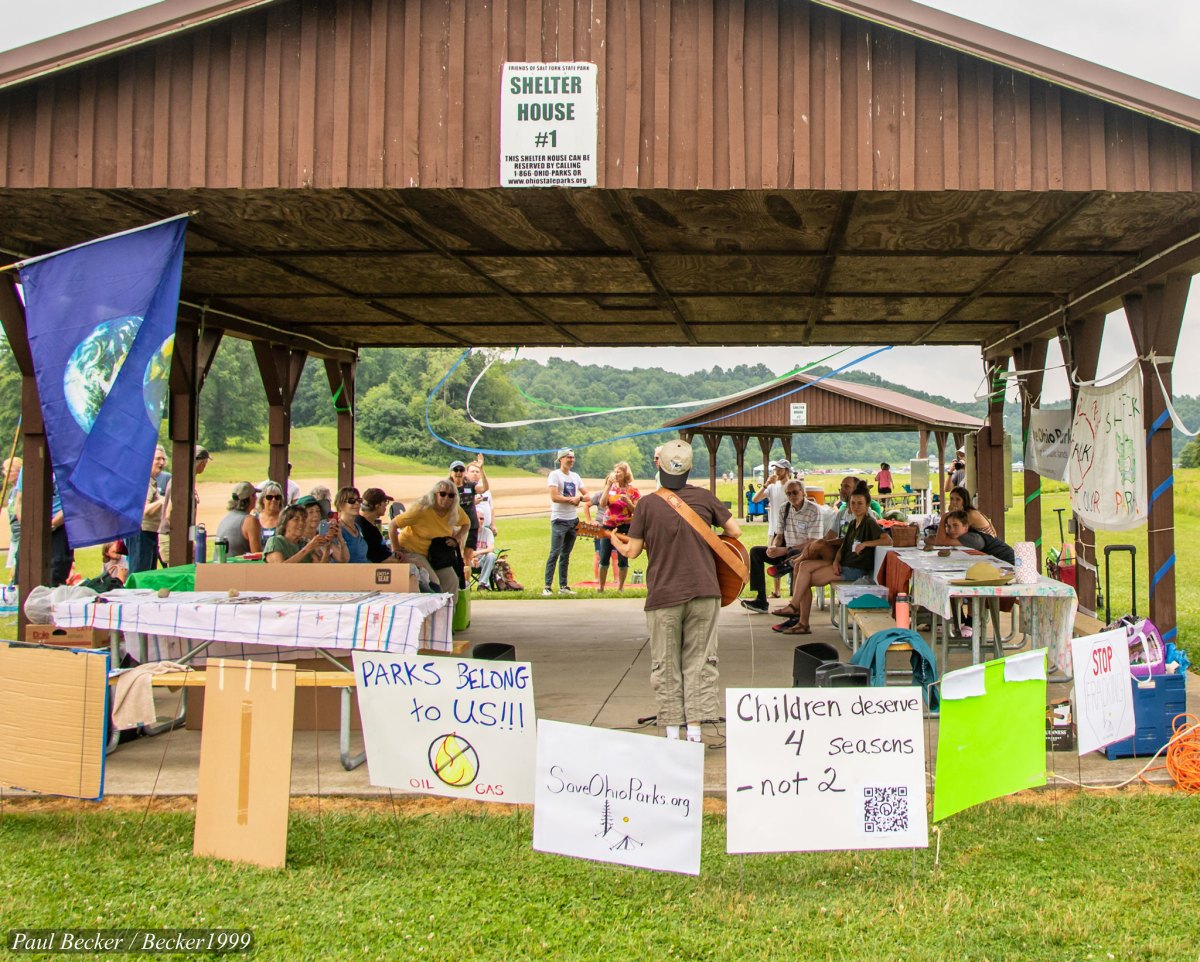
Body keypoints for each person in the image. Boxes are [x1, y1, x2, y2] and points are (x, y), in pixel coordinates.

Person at [611, 439, 740, 743]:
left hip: (664, 594)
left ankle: (672, 732)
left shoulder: (646, 504)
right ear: (690, 467)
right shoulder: (706, 498)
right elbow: (735, 532)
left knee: (667, 663)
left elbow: (632, 553)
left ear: (659, 465)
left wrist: (617, 542)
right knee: (700, 661)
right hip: (706, 590)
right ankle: (695, 730)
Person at [770, 487, 891, 634]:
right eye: (853, 503)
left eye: (860, 503)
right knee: (803, 567)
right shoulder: (853, 523)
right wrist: (836, 561)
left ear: (867, 505)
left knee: (804, 578)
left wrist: (865, 544)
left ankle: (798, 613)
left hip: (854, 569)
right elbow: (843, 546)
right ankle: (800, 617)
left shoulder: (869, 523)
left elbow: (887, 540)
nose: (856, 507)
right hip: (843, 563)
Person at [740, 479, 823, 613]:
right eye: (788, 493)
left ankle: (782, 570)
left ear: (803, 492)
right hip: (787, 551)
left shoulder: (814, 510)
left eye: (795, 492)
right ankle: (761, 600)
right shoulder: (784, 508)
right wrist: (773, 547)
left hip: (806, 553)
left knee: (793, 554)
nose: (792, 496)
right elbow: (779, 535)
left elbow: (814, 542)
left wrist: (784, 550)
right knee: (756, 552)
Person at [389, 479, 470, 592]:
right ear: (434, 494)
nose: (446, 498)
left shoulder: (454, 510)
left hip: (435, 554)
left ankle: (448, 609)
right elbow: (393, 525)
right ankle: (432, 608)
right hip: (411, 550)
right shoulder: (421, 509)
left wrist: (456, 537)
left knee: (452, 581)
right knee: (433, 582)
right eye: (442, 494)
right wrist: (397, 550)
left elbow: (467, 523)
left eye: (451, 495)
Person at [544, 447, 587, 596]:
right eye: (568, 457)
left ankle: (563, 586)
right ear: (561, 459)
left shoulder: (575, 476)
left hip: (572, 520)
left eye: (573, 457)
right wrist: (571, 499)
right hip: (559, 519)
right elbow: (554, 497)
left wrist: (579, 498)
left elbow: (587, 496)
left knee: (566, 554)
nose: (571, 460)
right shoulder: (554, 475)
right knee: (554, 553)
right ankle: (547, 586)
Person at [158, 446, 211, 564]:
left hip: (180, 536)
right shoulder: (181, 481)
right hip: (172, 537)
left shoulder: (187, 479)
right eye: (205, 463)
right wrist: (184, 540)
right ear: (201, 463)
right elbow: (170, 514)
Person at [597, 461, 640, 591]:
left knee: (623, 558)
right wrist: (608, 486)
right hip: (608, 526)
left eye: (618, 472)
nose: (616, 474)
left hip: (625, 528)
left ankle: (620, 588)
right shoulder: (611, 488)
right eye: (615, 472)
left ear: (625, 473)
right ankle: (601, 587)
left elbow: (637, 511)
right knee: (604, 556)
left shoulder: (633, 491)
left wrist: (627, 502)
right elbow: (602, 504)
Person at [128, 445, 170, 573]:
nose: (161, 462)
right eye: (158, 459)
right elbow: (143, 510)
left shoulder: (152, 481)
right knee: (141, 572)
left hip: (150, 532)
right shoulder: (144, 482)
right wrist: (164, 500)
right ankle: (136, 593)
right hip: (142, 533)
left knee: (150, 572)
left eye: (163, 459)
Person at [264, 504, 334, 564]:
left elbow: (319, 571)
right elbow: (280, 569)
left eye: (303, 520)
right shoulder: (275, 541)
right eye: (296, 519)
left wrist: (327, 549)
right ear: (285, 523)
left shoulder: (304, 543)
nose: (301, 523)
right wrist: (308, 548)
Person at [942, 510, 1016, 564]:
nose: (951, 530)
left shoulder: (971, 538)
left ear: (966, 526)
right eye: (948, 526)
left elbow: (939, 541)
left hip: (1011, 563)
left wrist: (943, 518)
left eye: (955, 525)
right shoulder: (964, 535)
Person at [451, 456, 490, 555]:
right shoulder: (447, 487)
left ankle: (468, 571)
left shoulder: (470, 485)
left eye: (461, 470)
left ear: (464, 472)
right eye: (456, 470)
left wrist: (481, 469)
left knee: (468, 556)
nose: (459, 472)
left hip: (471, 525)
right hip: (454, 526)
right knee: (456, 556)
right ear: (451, 472)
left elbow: (485, 488)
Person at [215, 482, 263, 557]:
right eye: (255, 495)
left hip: (219, 566)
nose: (256, 498)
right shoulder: (250, 521)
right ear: (251, 498)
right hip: (237, 567)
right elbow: (257, 555)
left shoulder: (226, 518)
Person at [752, 460, 792, 535]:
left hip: (790, 530)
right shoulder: (772, 486)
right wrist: (766, 484)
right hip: (773, 530)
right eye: (775, 469)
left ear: (787, 471)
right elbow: (755, 499)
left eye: (779, 469)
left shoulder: (793, 487)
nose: (777, 472)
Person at [332, 486, 370, 563]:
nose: (357, 503)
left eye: (359, 500)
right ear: (340, 505)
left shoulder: (357, 527)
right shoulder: (337, 529)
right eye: (351, 501)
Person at [357, 488, 395, 563]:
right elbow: (378, 559)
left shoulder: (365, 523)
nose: (386, 506)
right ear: (377, 506)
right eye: (385, 502)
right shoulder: (366, 529)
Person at [4, 456, 21, 584]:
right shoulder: (11, 492)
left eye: (10, 470)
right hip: (14, 537)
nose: (6, 473)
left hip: (22, 536)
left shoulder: (23, 490)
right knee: (12, 576)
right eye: (5, 470)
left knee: (17, 575)